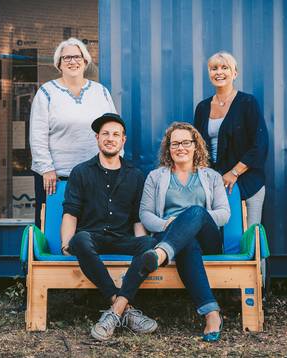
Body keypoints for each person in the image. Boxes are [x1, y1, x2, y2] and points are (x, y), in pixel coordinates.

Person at [61, 113, 158, 341]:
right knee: (79, 240)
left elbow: (137, 219)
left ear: (123, 140)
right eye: (105, 134)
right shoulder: (81, 172)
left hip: (121, 239)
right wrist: (66, 242)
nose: (110, 138)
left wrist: (142, 246)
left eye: (116, 134)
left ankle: (116, 309)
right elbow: (70, 212)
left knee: (151, 243)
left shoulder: (135, 175)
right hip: (92, 240)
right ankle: (125, 308)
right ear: (97, 138)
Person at [139, 122, 230, 342]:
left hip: (207, 237)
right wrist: (165, 225)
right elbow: (145, 214)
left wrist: (194, 219)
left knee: (196, 212)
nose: (181, 147)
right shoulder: (155, 177)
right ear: (168, 149)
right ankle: (211, 313)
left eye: (186, 142)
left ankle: (160, 254)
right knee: (186, 242)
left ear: (196, 146)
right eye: (175, 143)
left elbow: (224, 213)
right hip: (171, 235)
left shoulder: (212, 177)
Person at [29, 38, 116, 227]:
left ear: (85, 61)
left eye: (77, 56)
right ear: (58, 63)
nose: (72, 61)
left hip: (95, 174)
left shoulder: (100, 92)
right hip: (56, 177)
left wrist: (114, 165)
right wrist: (46, 169)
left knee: (91, 226)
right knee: (52, 227)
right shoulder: (46, 92)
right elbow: (37, 134)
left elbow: (114, 130)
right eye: (66, 57)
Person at [194, 51, 268, 227]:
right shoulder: (202, 108)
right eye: (214, 68)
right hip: (214, 184)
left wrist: (234, 173)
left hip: (248, 181)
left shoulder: (248, 103)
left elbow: (260, 145)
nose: (218, 72)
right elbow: (196, 147)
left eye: (224, 67)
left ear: (235, 73)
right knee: (219, 240)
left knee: (251, 240)